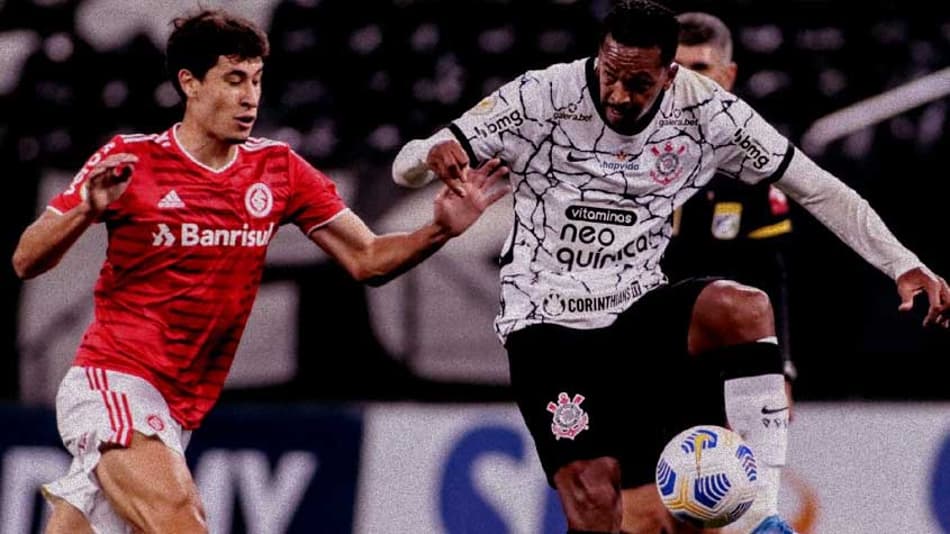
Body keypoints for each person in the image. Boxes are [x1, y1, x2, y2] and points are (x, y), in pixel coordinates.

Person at [391, 1, 950, 533]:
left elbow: (819, 188)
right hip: (547, 322)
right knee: (595, 502)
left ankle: (761, 516)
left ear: (669, 73)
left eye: (637, 83)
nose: (617, 94)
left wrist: (901, 264)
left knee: (744, 307)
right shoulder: (541, 95)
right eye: (609, 75)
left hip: (637, 312)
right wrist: (427, 156)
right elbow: (406, 164)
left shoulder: (708, 111)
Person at [12, 9, 509, 534]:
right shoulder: (130, 159)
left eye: (256, 80)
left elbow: (367, 259)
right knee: (182, 519)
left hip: (180, 404)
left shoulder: (279, 170)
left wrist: (438, 231)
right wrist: (85, 210)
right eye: (233, 80)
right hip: (113, 380)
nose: (250, 97)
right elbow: (25, 259)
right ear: (190, 83)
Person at [664, 12, 798, 417]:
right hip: (640, 351)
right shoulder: (617, 150)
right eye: (676, 68)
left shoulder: (756, 160)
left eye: (701, 68)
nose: (687, 82)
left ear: (728, 76)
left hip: (724, 357)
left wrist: (780, 368)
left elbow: (769, 277)